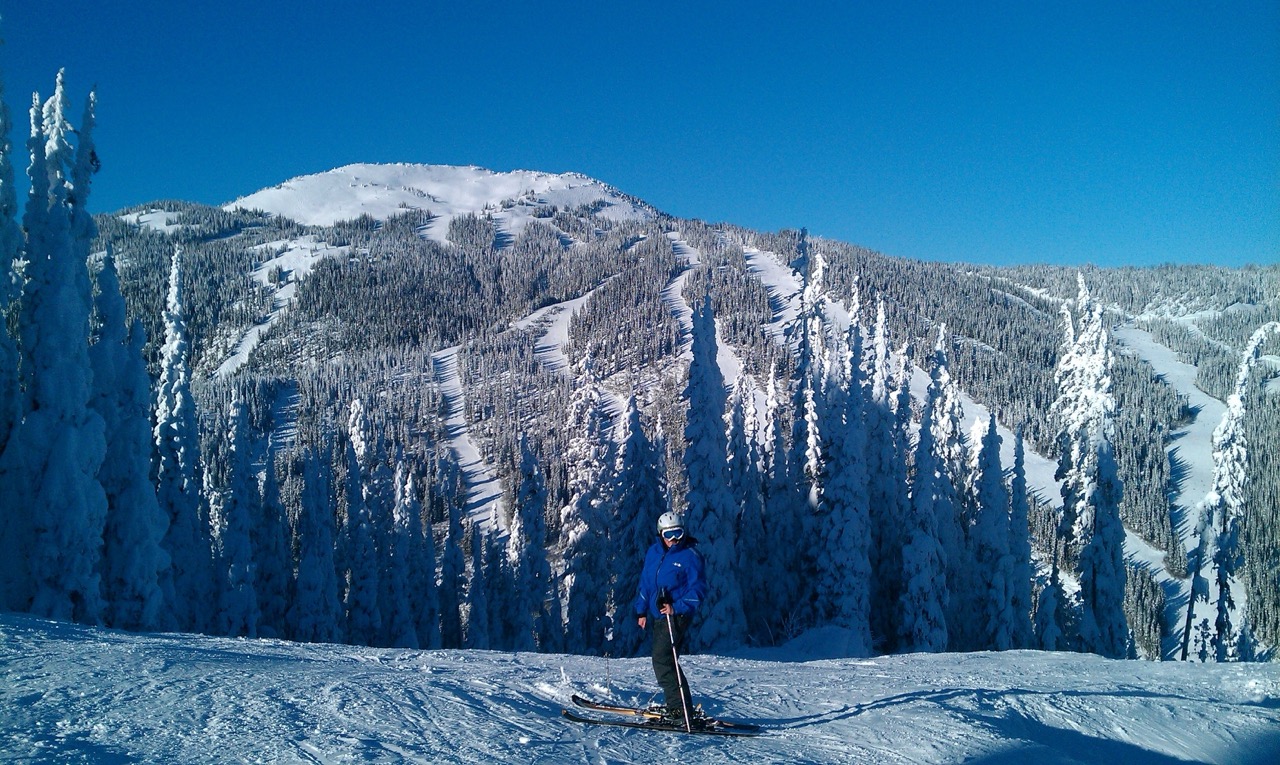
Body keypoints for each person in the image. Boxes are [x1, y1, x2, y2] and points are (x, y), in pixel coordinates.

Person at [634, 510, 706, 722]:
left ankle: (680, 709)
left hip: (676, 616)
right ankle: (679, 705)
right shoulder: (653, 552)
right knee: (665, 660)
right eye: (669, 535)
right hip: (658, 614)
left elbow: (698, 590)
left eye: (678, 534)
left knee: (663, 659)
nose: (674, 540)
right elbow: (646, 584)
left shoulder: (691, 557)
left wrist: (677, 607)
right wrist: (641, 610)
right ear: (660, 534)